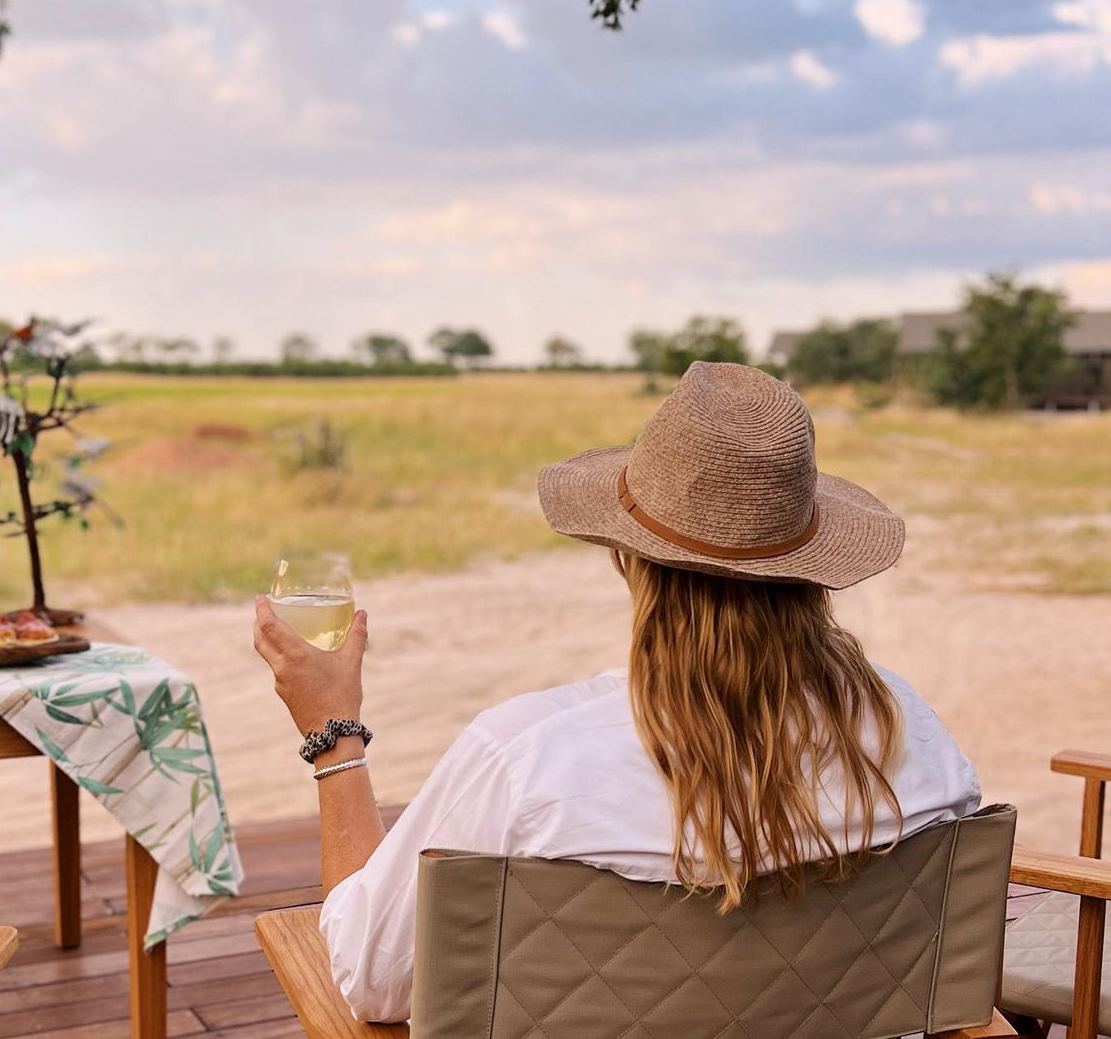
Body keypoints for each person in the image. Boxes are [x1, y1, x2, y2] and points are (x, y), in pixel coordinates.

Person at [251, 361, 981, 1023]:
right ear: (810, 565)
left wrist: (334, 734)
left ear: (628, 557)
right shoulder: (910, 729)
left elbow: (368, 979)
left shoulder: (527, 759)